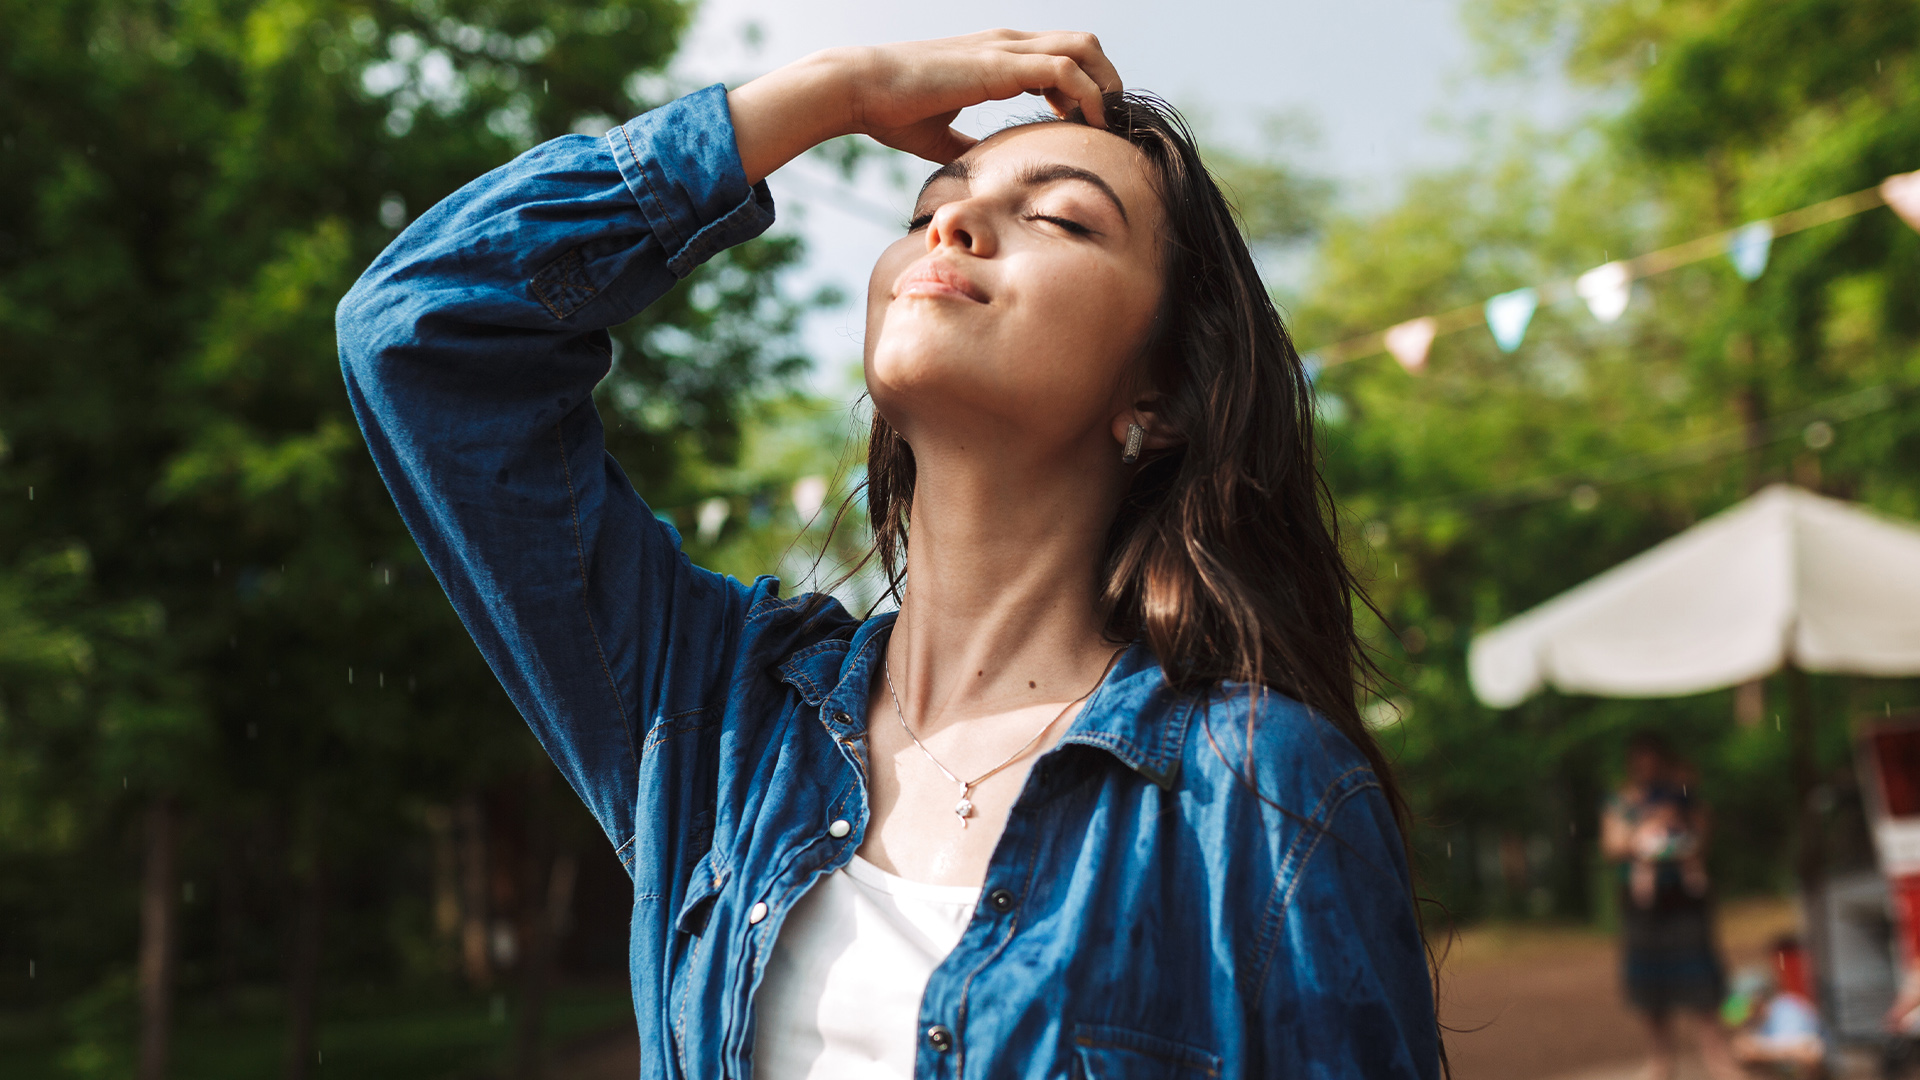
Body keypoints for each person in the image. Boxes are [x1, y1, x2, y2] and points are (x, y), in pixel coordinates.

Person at [337, 30, 1439, 1079]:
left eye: (1059, 219)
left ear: (1157, 393)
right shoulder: (718, 724)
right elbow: (420, 326)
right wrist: (834, 92)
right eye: (932, 210)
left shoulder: (1258, 792)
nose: (951, 231)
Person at [1602, 731, 1739, 1080]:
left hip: (1683, 901)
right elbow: (1612, 845)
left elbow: (1703, 835)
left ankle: (1717, 1058)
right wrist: (1644, 834)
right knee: (1651, 992)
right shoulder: (1623, 800)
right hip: (1644, 908)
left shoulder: (1684, 795)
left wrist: (1680, 818)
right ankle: (1661, 1062)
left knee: (1703, 987)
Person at [1724, 963, 1826, 1078]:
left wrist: (1759, 1051)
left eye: (1745, 1006)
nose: (1743, 1013)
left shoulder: (1789, 1011)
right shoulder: (1757, 1021)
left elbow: (1809, 1053)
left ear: (1758, 1000)